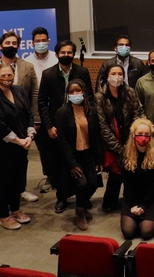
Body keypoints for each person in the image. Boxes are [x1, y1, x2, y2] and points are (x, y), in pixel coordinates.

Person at [37, 40, 93, 213]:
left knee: (80, 163)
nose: (66, 55)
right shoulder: (48, 74)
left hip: (79, 124)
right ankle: (62, 198)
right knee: (61, 165)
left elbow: (89, 96)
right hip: (57, 126)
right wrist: (49, 126)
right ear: (56, 55)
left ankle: (81, 198)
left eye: (70, 52)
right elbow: (42, 102)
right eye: (63, 53)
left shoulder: (82, 71)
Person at [0, 31, 40, 203]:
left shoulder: (27, 66)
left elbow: (34, 94)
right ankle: (6, 196)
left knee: (21, 160)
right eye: (7, 43)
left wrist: (34, 121)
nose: (11, 46)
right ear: (0, 46)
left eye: (14, 43)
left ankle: (20, 190)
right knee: (3, 167)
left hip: (21, 122)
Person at [0, 64, 35, 230]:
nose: (7, 79)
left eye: (9, 75)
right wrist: (20, 141)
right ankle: (4, 216)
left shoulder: (19, 91)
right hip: (0, 147)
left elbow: (29, 114)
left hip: (21, 143)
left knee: (17, 179)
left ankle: (16, 210)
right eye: (3, 76)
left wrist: (29, 135)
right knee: (5, 180)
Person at [55, 79, 103, 231]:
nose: (75, 94)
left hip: (88, 154)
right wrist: (71, 164)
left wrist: (99, 158)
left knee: (94, 183)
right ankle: (80, 211)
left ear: (84, 92)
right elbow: (62, 141)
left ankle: (81, 204)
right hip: (73, 156)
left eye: (78, 91)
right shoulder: (62, 112)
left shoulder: (92, 111)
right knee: (82, 184)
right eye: (72, 92)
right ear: (67, 95)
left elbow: (97, 136)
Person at [95, 65, 143, 212]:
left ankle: (131, 201)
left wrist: (131, 143)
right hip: (111, 142)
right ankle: (109, 203)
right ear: (107, 77)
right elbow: (102, 126)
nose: (117, 76)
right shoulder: (99, 97)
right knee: (115, 175)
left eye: (120, 73)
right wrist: (119, 149)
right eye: (113, 73)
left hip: (130, 138)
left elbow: (137, 113)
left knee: (132, 172)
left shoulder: (130, 92)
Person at [22, 27, 56, 193]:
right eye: (38, 41)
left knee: (60, 145)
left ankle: (62, 175)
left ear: (49, 41)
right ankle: (50, 176)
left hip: (57, 109)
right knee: (44, 147)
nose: (41, 44)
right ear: (32, 43)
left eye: (44, 41)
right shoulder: (27, 62)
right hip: (37, 110)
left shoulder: (57, 58)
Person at [120, 118, 154, 240]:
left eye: (146, 135)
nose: (143, 137)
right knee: (128, 233)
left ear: (151, 136)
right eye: (139, 134)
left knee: (146, 233)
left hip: (151, 197)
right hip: (131, 197)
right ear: (133, 135)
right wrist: (133, 204)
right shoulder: (125, 153)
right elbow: (126, 182)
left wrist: (143, 206)